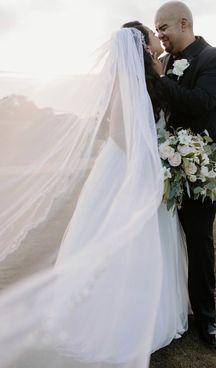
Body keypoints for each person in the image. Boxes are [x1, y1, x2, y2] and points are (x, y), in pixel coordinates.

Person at [0, 26, 189, 368]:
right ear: (141, 47)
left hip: (146, 165)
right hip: (127, 167)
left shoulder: (151, 82)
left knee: (146, 240)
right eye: (150, 38)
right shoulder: (124, 85)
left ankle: (143, 307)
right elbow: (118, 132)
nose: (154, 45)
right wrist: (148, 159)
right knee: (118, 237)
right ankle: (108, 319)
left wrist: (159, 155)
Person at [153, 0, 216, 348]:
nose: (161, 37)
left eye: (163, 29)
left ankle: (206, 320)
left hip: (205, 164)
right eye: (157, 32)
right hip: (169, 162)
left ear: (183, 23)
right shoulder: (166, 62)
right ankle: (171, 307)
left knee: (199, 240)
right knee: (169, 237)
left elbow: (200, 102)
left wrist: (158, 78)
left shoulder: (215, 58)